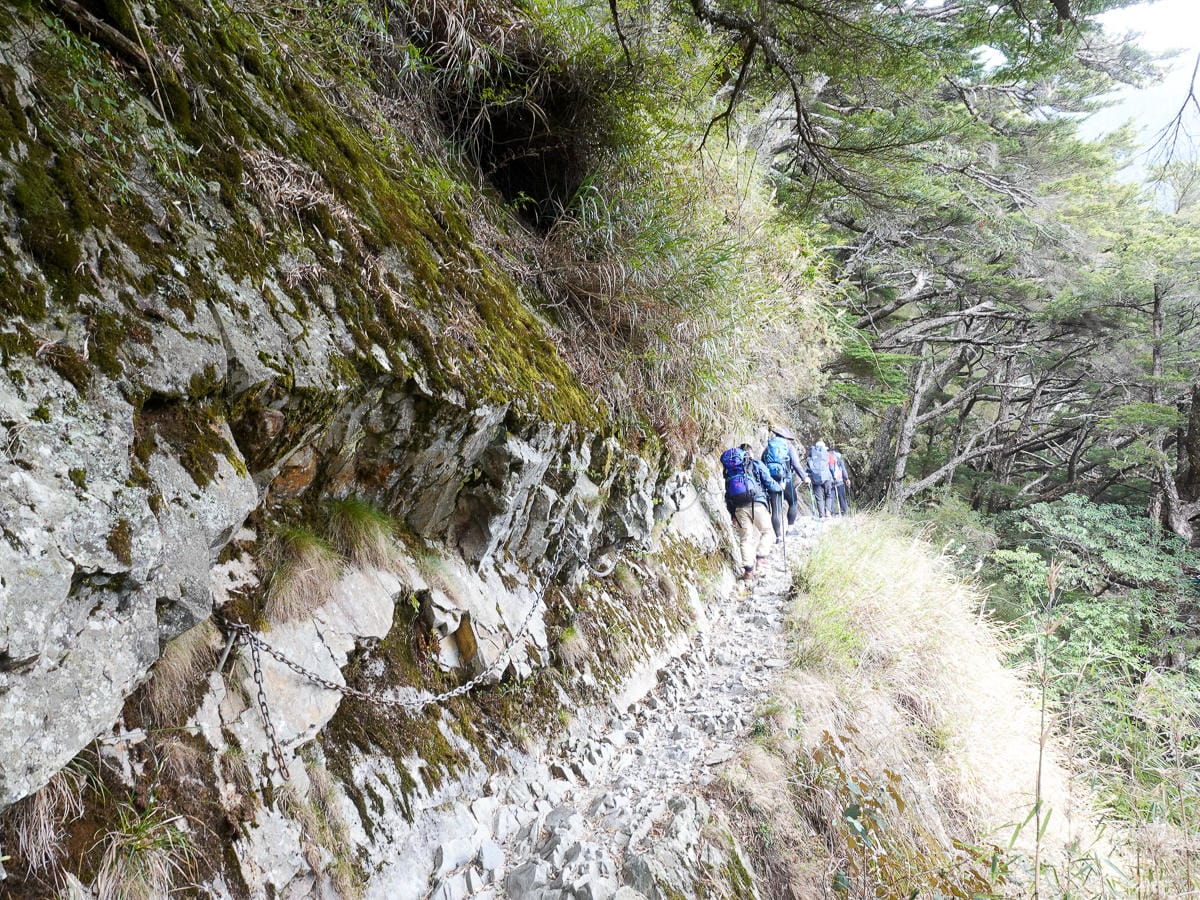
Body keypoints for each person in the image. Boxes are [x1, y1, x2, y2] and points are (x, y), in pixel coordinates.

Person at [721, 442, 782, 583]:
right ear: (750, 453)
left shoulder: (730, 471)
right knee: (768, 531)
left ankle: (748, 573)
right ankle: (761, 558)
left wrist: (732, 514)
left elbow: (728, 494)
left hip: (739, 507)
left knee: (745, 539)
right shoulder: (755, 463)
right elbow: (769, 482)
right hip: (757, 503)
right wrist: (780, 488)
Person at [761, 426, 812, 540]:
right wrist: (805, 477)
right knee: (793, 501)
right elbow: (796, 464)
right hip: (786, 479)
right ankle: (790, 529)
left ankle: (779, 537)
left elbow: (762, 464)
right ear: (786, 437)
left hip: (771, 481)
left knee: (776, 508)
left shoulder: (768, 447)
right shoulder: (789, 447)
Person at [806, 439, 836, 518]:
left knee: (819, 497)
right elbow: (832, 468)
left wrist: (809, 477)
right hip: (827, 477)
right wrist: (833, 476)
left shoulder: (811, 455)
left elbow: (808, 468)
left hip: (815, 478)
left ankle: (821, 515)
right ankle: (828, 513)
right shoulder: (828, 454)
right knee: (828, 495)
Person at [830, 447, 853, 515]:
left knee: (832, 498)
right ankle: (845, 511)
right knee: (842, 497)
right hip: (839, 481)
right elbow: (843, 470)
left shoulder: (827, 459)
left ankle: (832, 513)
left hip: (830, 482)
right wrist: (846, 478)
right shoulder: (839, 459)